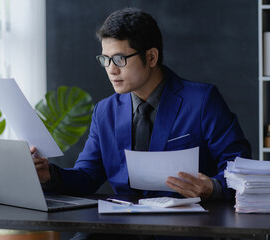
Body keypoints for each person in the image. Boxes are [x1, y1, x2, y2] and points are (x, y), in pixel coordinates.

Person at [32, 7, 251, 240]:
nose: (111, 70)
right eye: (105, 59)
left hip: (187, 226)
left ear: (151, 57)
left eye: (119, 59)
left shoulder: (202, 100)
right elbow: (87, 175)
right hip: (123, 225)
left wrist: (213, 188)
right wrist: (50, 176)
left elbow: (237, 162)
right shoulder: (105, 111)